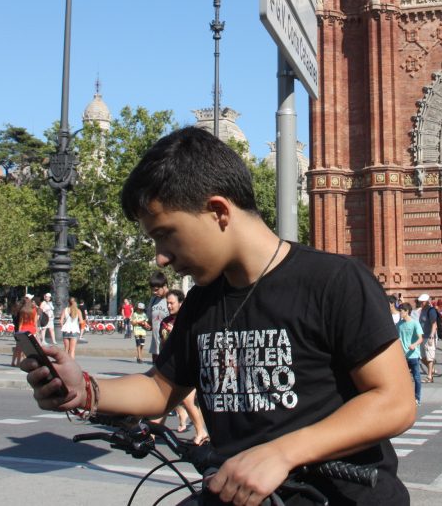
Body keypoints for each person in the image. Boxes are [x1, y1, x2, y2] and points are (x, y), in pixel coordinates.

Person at [21, 126, 413, 504]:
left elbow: (394, 401)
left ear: (218, 211)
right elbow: (161, 389)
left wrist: (283, 453)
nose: (161, 256)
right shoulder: (203, 300)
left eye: (165, 233)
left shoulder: (334, 280)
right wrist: (86, 389)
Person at [161, 288, 209, 444]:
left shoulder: (189, 319)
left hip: (189, 365)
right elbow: (164, 345)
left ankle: (201, 431)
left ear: (181, 303)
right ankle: (153, 433)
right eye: (167, 303)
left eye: (172, 303)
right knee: (164, 399)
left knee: (187, 400)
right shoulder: (165, 321)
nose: (169, 306)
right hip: (172, 366)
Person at [396, 303, 423, 405]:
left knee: (416, 377)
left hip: (413, 355)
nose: (400, 313)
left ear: (407, 311)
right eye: (399, 310)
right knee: (402, 377)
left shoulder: (415, 323)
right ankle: (405, 397)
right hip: (403, 355)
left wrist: (414, 345)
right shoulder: (399, 324)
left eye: (402, 311)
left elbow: (420, 338)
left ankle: (417, 398)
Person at [146, 271, 169, 361]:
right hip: (155, 346)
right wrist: (147, 325)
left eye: (156, 290)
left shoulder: (173, 299)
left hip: (168, 346)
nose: (154, 292)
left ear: (165, 286)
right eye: (152, 290)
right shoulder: (153, 300)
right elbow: (150, 323)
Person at [416, 294, 438, 383]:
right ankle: (431, 369)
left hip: (429, 336)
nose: (421, 303)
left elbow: (434, 324)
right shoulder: (422, 310)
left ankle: (429, 377)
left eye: (423, 301)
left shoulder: (431, 311)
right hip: (422, 336)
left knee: (429, 357)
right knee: (422, 356)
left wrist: (431, 336)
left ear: (427, 301)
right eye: (420, 302)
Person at [12, 296, 38, 367]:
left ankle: (17, 362)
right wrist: (37, 332)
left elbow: (21, 323)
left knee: (20, 347)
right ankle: (26, 362)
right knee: (29, 348)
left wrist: (19, 332)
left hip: (23, 329)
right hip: (32, 330)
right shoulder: (34, 310)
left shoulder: (22, 311)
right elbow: (35, 323)